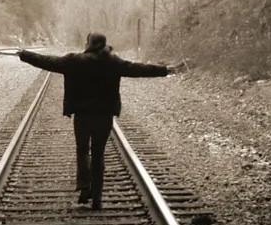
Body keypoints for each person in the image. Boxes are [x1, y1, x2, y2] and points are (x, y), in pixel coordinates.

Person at [17, 32, 181, 210]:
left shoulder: (75, 60)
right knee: (98, 154)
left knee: (82, 151)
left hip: (83, 116)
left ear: (88, 43)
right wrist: (165, 70)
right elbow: (137, 69)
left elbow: (48, 61)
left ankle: (85, 186)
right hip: (104, 116)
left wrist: (25, 55)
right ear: (104, 44)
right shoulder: (113, 62)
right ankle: (97, 197)